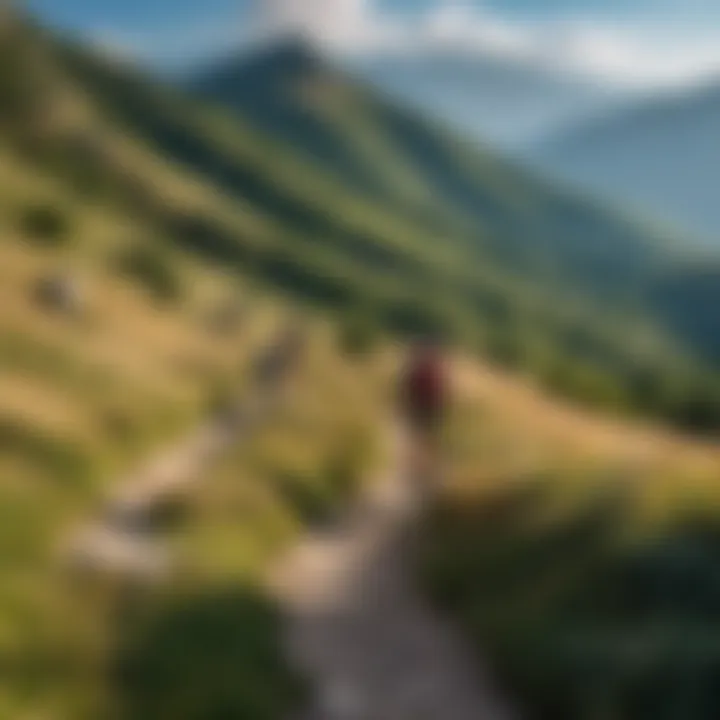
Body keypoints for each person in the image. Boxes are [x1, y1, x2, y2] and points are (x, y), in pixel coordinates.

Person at [400, 338, 449, 490]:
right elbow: (442, 391)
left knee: (420, 440)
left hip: (424, 409)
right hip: (429, 410)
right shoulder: (436, 368)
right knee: (426, 441)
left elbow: (408, 388)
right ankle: (423, 473)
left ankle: (420, 472)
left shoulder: (418, 368)